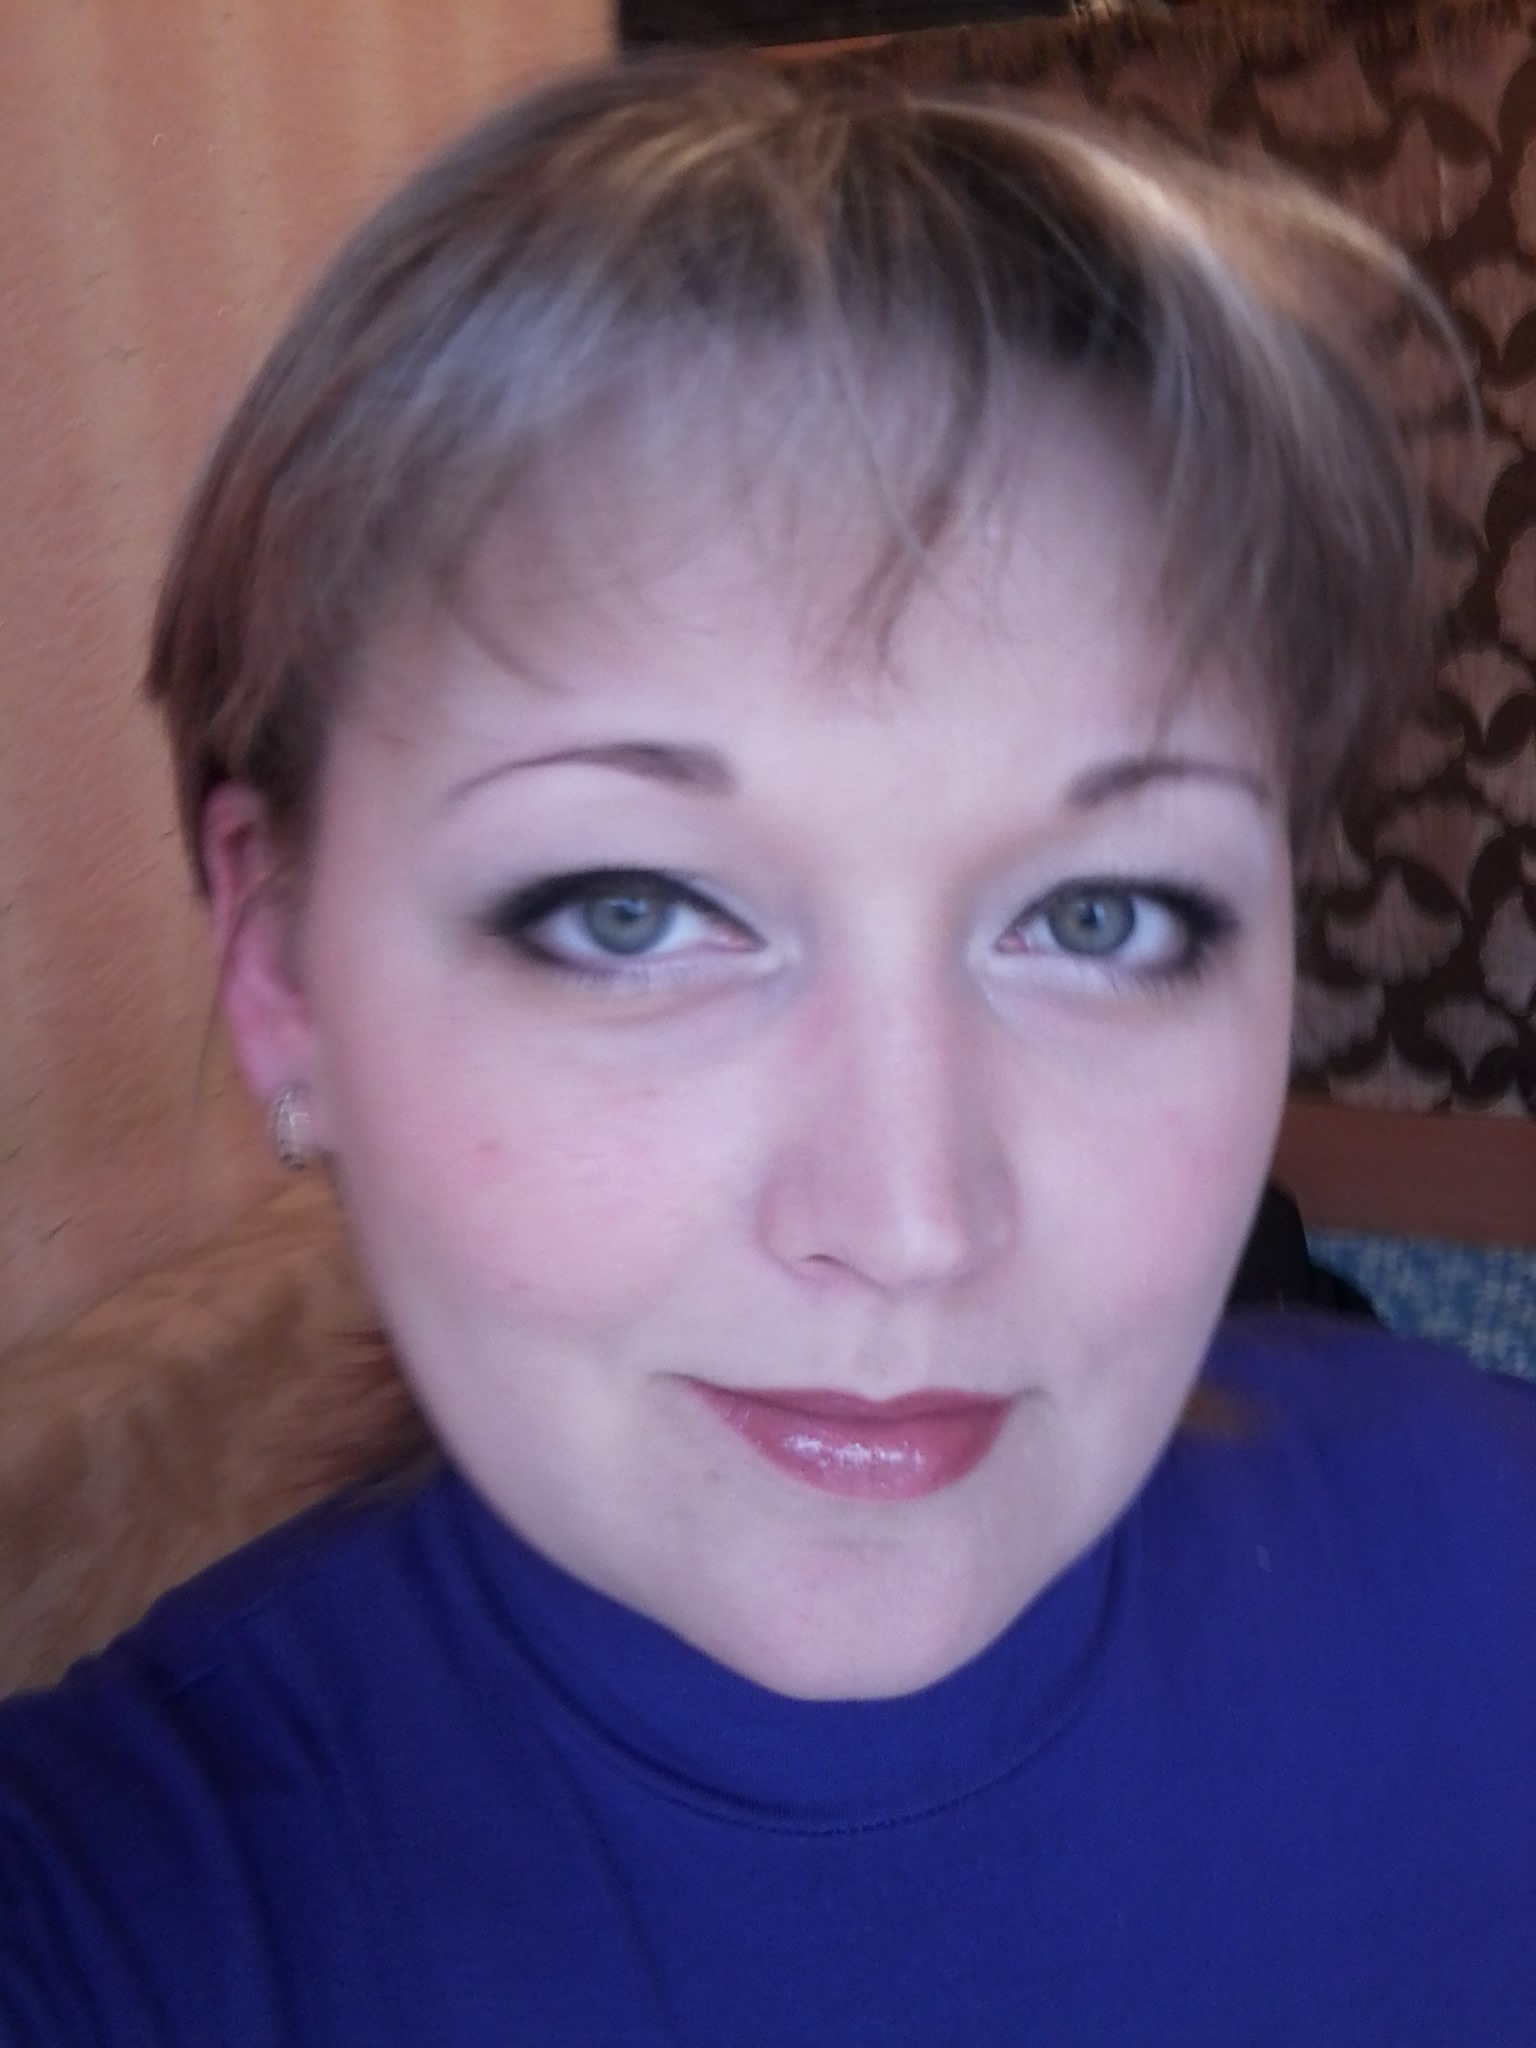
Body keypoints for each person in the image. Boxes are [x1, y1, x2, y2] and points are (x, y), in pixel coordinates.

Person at [2, 52, 1532, 2044]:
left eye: (1103, 915)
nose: (909, 1222)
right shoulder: (116, 1915)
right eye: (630, 910)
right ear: (278, 963)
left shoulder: (1488, 1547)